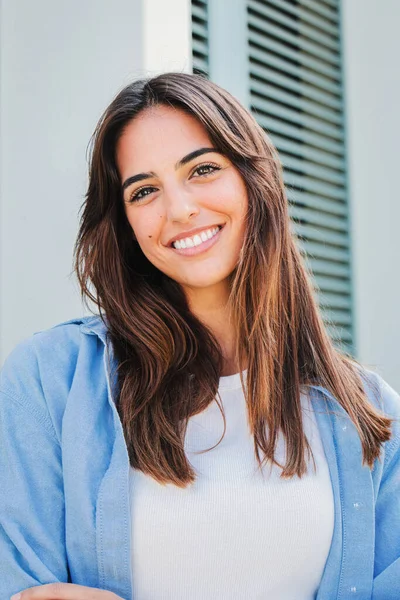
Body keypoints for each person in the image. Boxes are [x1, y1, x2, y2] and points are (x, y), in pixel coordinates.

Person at [1, 72, 399, 600]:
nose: (180, 209)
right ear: (123, 221)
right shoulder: (48, 381)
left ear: (254, 180)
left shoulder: (369, 413)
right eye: (144, 191)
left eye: (203, 169)